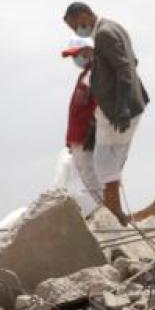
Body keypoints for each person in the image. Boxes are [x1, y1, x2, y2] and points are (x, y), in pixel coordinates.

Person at [62, 1, 148, 225]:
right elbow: (130, 62)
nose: (76, 30)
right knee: (105, 167)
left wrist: (122, 104)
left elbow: (125, 67)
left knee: (104, 168)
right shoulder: (112, 29)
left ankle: (114, 217)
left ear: (85, 15)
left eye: (76, 25)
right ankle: (114, 215)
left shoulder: (105, 34)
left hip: (118, 112)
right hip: (118, 111)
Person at [60, 37, 101, 211]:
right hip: (78, 138)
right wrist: (71, 141)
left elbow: (99, 106)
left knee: (93, 178)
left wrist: (93, 132)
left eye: (76, 54)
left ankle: (105, 211)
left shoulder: (98, 74)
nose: (75, 59)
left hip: (88, 138)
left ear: (87, 51)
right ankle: (100, 210)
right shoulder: (84, 75)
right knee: (86, 177)